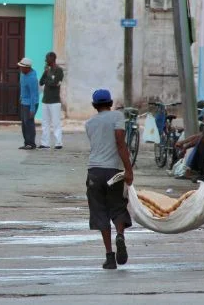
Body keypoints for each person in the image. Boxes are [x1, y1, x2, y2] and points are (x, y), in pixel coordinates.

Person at [84, 89, 134, 270]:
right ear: (111, 103)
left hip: (94, 172)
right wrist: (129, 169)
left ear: (94, 106)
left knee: (100, 213)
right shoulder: (117, 117)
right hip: (114, 171)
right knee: (118, 206)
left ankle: (109, 256)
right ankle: (120, 235)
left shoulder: (89, 123)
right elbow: (120, 143)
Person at [176, 106, 204, 181]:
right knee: (200, 145)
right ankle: (193, 170)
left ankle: (201, 172)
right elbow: (198, 136)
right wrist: (184, 144)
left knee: (201, 146)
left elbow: (202, 140)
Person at [38, 52, 64, 150]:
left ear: (52, 59)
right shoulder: (47, 71)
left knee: (56, 123)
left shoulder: (59, 71)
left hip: (55, 101)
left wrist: (48, 78)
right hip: (45, 101)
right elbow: (41, 82)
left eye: (47, 59)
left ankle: (58, 143)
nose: (45, 61)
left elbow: (55, 84)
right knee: (45, 123)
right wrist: (45, 73)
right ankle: (45, 143)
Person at [17, 58, 39, 150]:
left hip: (31, 103)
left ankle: (31, 143)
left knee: (29, 123)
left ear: (28, 68)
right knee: (24, 124)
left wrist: (32, 109)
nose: (20, 69)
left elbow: (33, 95)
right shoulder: (23, 74)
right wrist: (21, 97)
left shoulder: (32, 78)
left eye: (22, 67)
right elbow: (22, 87)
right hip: (24, 102)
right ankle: (26, 143)